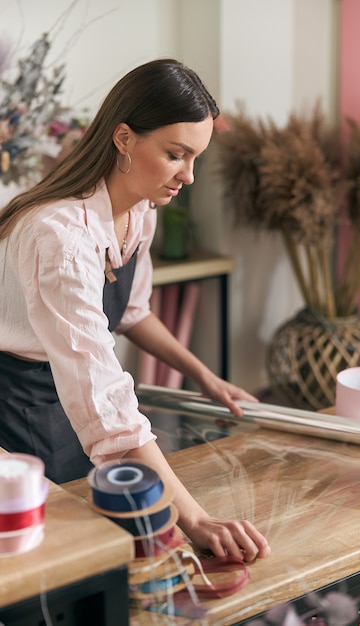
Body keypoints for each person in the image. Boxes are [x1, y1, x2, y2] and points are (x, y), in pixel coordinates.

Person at [0, 58, 270, 562]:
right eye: (175, 155)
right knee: (55, 558)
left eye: (196, 159)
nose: (188, 176)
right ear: (123, 138)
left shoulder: (138, 210)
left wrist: (206, 378)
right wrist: (197, 519)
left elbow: (131, 312)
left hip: (70, 394)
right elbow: (103, 400)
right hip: (21, 405)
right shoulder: (61, 237)